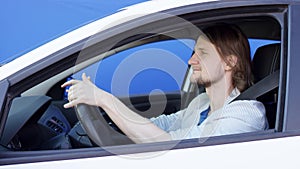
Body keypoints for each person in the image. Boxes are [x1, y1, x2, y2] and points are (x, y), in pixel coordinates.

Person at [61, 23, 268, 144]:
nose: (191, 60)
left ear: (229, 62)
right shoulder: (202, 103)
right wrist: (111, 115)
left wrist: (104, 100)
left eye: (202, 53)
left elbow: (168, 145)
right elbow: (161, 126)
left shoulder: (246, 114)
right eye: (194, 52)